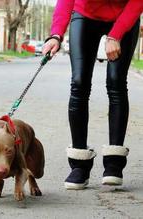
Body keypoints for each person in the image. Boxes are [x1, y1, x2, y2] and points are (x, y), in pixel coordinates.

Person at [42, 0, 143, 190]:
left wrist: (116, 34)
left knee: (116, 82)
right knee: (79, 83)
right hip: (85, 14)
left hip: (123, 14)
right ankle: (79, 165)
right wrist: (56, 34)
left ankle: (114, 163)